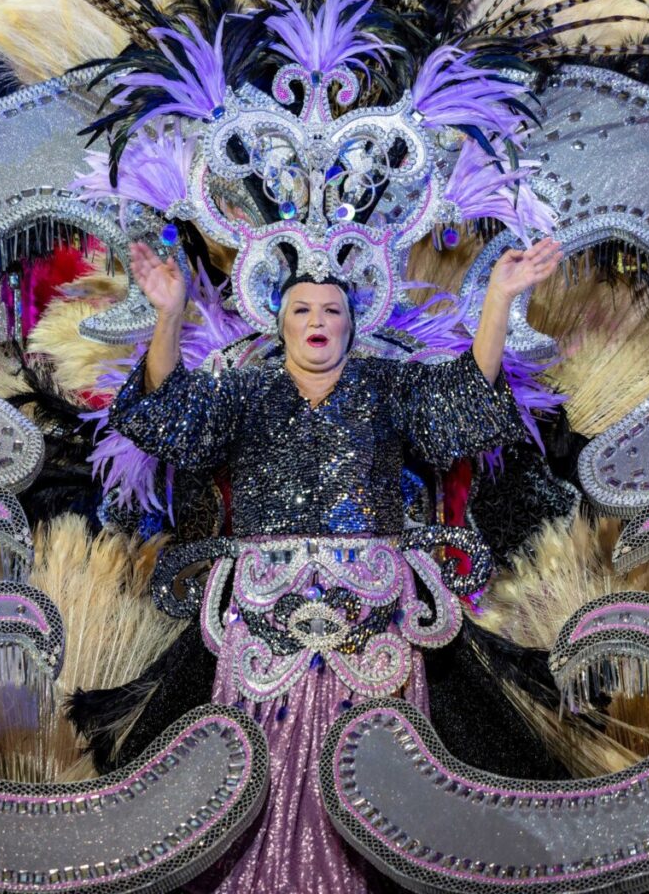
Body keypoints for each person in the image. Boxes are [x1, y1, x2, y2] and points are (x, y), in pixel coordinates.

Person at [108, 236, 563, 894]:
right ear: (278, 322)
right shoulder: (241, 394)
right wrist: (169, 313)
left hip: (371, 607)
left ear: (353, 324)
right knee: (257, 740)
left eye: (330, 310)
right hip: (265, 611)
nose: (317, 320)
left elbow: (460, 408)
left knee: (374, 746)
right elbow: (170, 419)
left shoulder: (388, 386)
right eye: (301, 310)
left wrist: (497, 298)